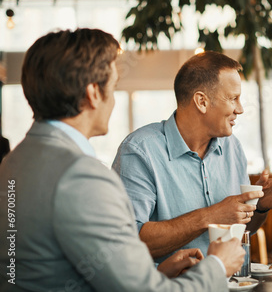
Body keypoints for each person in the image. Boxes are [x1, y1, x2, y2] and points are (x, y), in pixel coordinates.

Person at [0, 29, 245, 292]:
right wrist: (218, 266)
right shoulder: (82, 175)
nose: (114, 100)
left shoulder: (14, 160)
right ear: (93, 93)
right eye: (114, 87)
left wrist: (157, 272)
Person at [112, 50, 272, 262]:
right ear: (201, 101)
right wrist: (211, 215)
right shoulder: (139, 150)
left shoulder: (232, 147)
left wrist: (258, 207)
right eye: (233, 98)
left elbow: (240, 230)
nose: (240, 109)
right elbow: (129, 242)